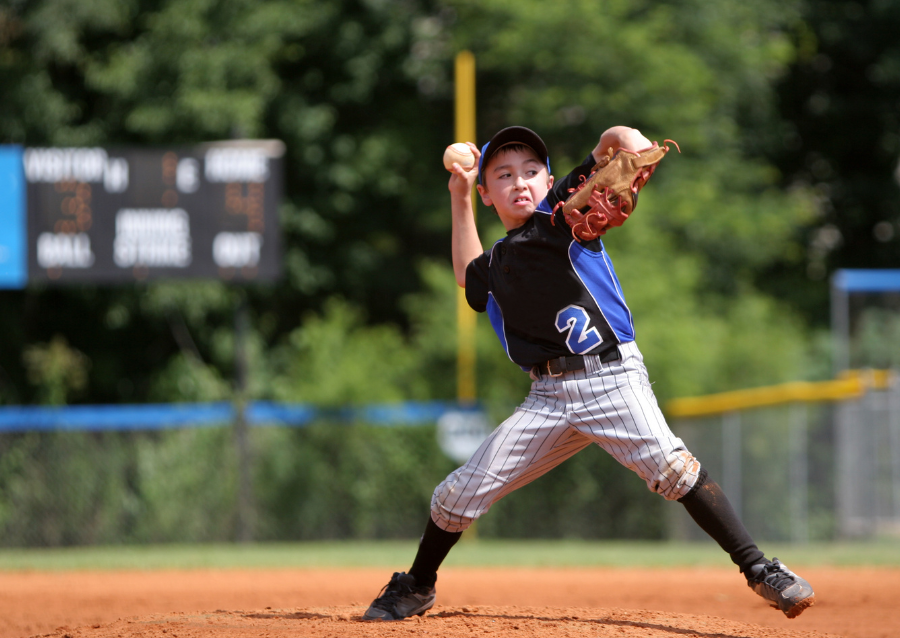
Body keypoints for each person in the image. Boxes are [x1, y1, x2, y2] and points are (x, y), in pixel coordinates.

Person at [362, 125, 815, 621]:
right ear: (487, 194)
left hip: (612, 380)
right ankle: (417, 586)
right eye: (504, 175)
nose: (520, 182)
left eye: (531, 171)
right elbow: (465, 272)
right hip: (546, 398)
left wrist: (631, 142)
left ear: (551, 179)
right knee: (456, 494)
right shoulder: (496, 261)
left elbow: (613, 141)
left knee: (672, 468)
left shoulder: (562, 213)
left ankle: (760, 569)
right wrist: (458, 194)